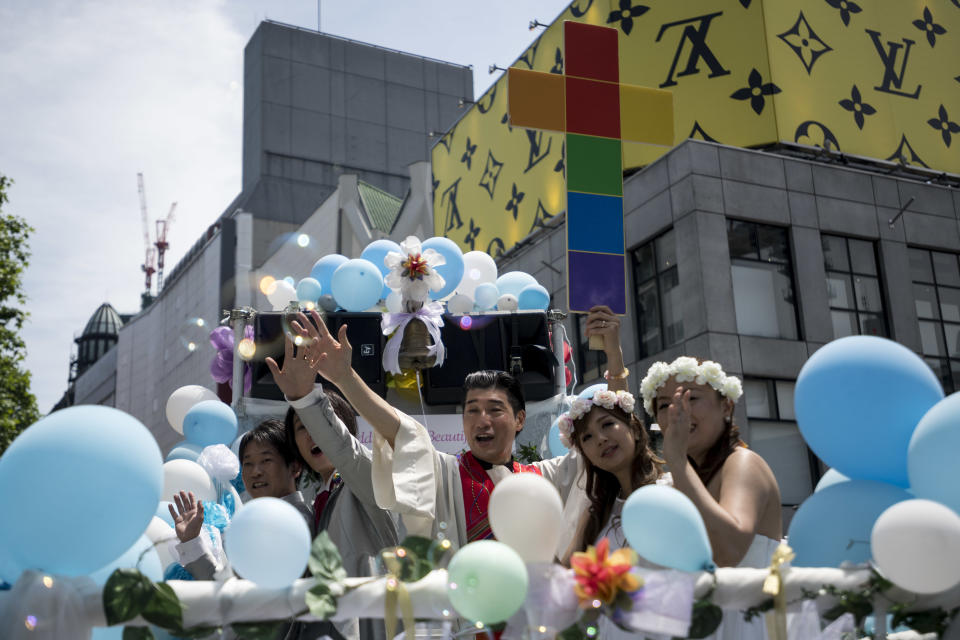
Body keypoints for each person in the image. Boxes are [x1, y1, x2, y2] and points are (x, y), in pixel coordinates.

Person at [279, 308, 622, 555]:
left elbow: (615, 442)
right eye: (472, 410)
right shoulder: (445, 475)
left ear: (519, 420)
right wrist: (340, 380)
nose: (481, 419)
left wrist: (615, 359)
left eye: (494, 409)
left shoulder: (548, 475)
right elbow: (394, 434)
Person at [642, 356, 782, 640]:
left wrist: (677, 461)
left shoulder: (743, 463)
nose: (676, 411)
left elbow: (727, 552)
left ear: (726, 405)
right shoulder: (680, 481)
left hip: (749, 625)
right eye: (664, 405)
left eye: (691, 398)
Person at [169, 419, 310, 580]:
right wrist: (191, 540)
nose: (255, 472)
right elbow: (229, 586)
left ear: (295, 467)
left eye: (266, 461)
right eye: (248, 463)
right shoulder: (257, 521)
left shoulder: (298, 521)